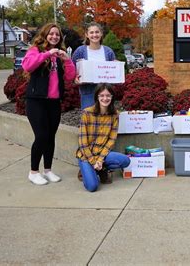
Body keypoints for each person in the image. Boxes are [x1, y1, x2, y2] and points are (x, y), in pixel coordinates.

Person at [22, 23, 76, 185]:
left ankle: (48, 170)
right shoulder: (35, 51)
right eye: (51, 34)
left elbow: (70, 77)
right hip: (36, 101)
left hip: (54, 102)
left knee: (51, 137)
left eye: (57, 35)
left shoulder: (59, 55)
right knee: (41, 136)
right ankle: (33, 172)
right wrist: (47, 54)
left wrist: (66, 60)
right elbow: (28, 65)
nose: (54, 37)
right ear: (45, 35)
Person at [76, 83, 130, 192]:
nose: (105, 98)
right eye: (102, 95)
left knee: (125, 161)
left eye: (108, 95)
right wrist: (93, 161)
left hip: (102, 154)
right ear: (97, 97)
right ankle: (88, 170)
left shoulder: (114, 115)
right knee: (92, 187)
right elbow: (82, 143)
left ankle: (101, 169)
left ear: (112, 97)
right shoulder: (87, 113)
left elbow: (111, 140)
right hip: (86, 155)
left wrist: (100, 160)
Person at [71, 22, 116, 109]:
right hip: (87, 92)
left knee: (105, 119)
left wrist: (117, 68)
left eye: (97, 32)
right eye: (91, 32)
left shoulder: (108, 51)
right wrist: (75, 79)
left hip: (105, 93)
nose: (94, 35)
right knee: (88, 119)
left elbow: (113, 73)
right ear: (86, 35)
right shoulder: (80, 51)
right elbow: (72, 69)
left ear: (101, 33)